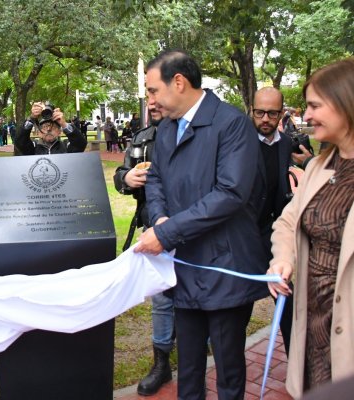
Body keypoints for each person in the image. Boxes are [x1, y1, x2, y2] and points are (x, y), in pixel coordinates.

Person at [135, 50, 268, 400]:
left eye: (152, 90)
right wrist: (160, 217)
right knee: (189, 367)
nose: (149, 99)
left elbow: (230, 193)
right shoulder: (165, 129)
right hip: (184, 265)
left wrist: (165, 232)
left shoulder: (232, 123)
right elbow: (156, 180)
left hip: (224, 266)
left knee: (227, 368)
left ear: (178, 82)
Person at [267, 58, 354, 398]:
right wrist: (282, 259)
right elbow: (289, 221)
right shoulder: (319, 166)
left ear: (346, 102)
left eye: (316, 105)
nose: (307, 116)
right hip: (314, 326)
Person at [114, 106, 173, 396]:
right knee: (161, 299)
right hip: (152, 227)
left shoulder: (191, 133)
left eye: (158, 98)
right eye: (150, 103)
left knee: (193, 298)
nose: (154, 107)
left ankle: (193, 361)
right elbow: (120, 173)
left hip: (191, 226)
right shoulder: (141, 138)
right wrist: (127, 179)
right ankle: (161, 364)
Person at [251, 87, 295, 354]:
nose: (265, 118)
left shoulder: (287, 143)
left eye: (272, 113)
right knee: (238, 310)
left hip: (278, 238)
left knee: (289, 307)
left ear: (281, 112)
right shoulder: (240, 142)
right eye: (260, 112)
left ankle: (297, 375)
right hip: (246, 238)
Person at [15, 102, 87, 155]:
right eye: (45, 126)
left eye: (54, 127)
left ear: (60, 132)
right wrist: (32, 118)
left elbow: (80, 144)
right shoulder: (33, 147)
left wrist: (64, 124)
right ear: (38, 133)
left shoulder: (66, 145)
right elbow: (20, 142)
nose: (49, 129)